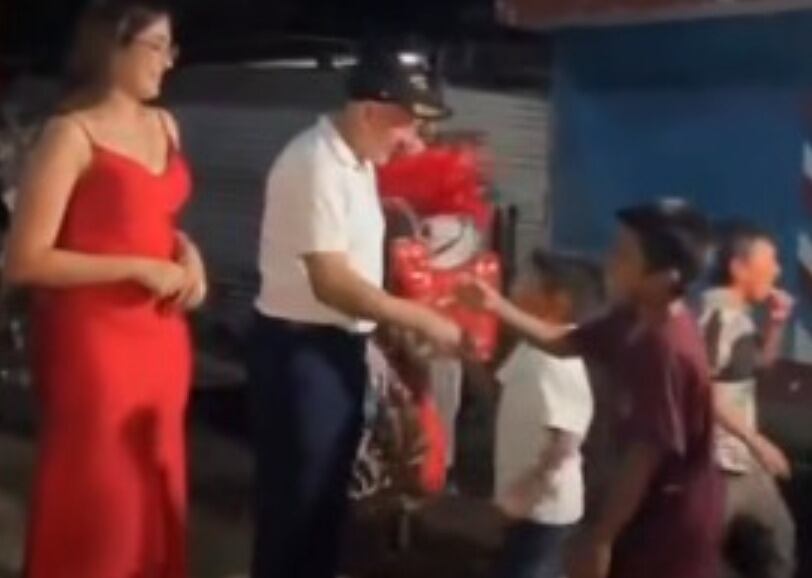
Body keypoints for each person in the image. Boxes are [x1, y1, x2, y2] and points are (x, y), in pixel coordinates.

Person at [5, 2, 205, 577]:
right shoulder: (71, 134)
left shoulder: (166, 125)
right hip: (96, 344)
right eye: (156, 46)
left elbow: (154, 218)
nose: (168, 61)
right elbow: (25, 260)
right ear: (113, 47)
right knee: (104, 499)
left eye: (170, 47)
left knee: (153, 486)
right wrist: (135, 269)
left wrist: (188, 255)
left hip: (162, 336)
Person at [248, 45, 463, 578]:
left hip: (338, 347)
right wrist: (414, 318)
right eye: (406, 124)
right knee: (297, 510)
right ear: (370, 112)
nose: (412, 141)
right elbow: (332, 280)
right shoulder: (315, 163)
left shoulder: (358, 163)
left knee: (327, 505)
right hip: (303, 351)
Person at [461, 199, 724, 578]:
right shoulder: (633, 317)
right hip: (634, 506)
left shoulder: (666, 346)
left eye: (624, 255)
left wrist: (602, 538)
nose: (611, 262)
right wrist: (494, 305)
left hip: (669, 519)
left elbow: (643, 457)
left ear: (665, 278)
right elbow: (562, 341)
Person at [492, 251, 604, 578]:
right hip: (529, 506)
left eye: (525, 282)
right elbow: (501, 396)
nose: (513, 289)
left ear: (558, 302)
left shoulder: (558, 359)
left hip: (545, 510)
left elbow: (566, 438)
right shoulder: (532, 346)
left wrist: (527, 492)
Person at [700, 220, 796, 578]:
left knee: (780, 539)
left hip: (743, 460)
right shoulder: (717, 318)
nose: (777, 270)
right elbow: (702, 391)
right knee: (701, 554)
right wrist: (758, 443)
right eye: (770, 261)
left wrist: (776, 323)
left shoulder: (739, 316)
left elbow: (756, 367)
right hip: (717, 463)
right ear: (739, 268)